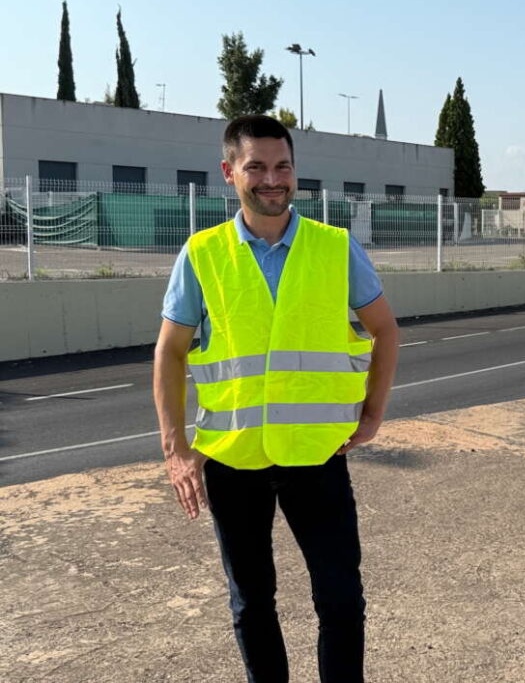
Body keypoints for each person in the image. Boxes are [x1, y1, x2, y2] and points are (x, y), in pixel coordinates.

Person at [153, 114, 399, 683]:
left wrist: (372, 415)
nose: (273, 179)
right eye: (256, 167)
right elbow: (169, 352)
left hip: (317, 456)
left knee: (340, 601)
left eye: (283, 166)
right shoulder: (201, 254)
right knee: (251, 604)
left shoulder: (334, 247)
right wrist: (176, 448)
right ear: (228, 173)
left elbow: (385, 329)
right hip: (233, 460)